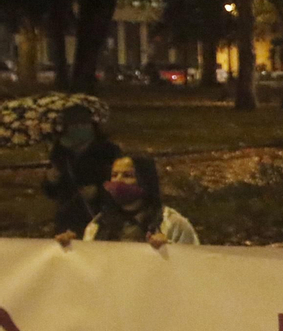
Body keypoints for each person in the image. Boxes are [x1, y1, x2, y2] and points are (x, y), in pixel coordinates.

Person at [59, 155, 199, 247]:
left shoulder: (172, 223)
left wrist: (170, 249)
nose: (118, 181)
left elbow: (192, 264)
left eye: (128, 175)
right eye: (114, 175)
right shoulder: (98, 225)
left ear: (145, 181)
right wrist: (71, 248)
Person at [42, 104, 121, 239]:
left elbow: (120, 183)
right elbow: (52, 192)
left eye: (81, 124)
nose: (77, 129)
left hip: (99, 214)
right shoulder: (60, 151)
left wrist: (98, 191)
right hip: (68, 216)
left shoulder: (108, 151)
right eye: (72, 125)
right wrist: (51, 181)